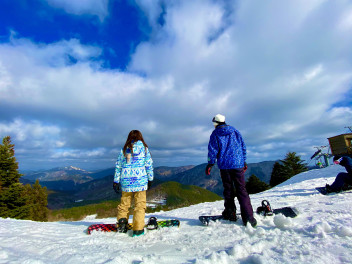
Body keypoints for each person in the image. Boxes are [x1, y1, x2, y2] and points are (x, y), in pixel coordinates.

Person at [206, 114, 257, 227]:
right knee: (241, 190)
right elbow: (242, 146)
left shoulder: (215, 134)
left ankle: (230, 214)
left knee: (228, 190)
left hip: (225, 166)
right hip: (238, 164)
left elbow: (212, 150)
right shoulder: (235, 131)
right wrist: (243, 161)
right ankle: (249, 218)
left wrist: (210, 163)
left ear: (216, 123)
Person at [113, 130, 154, 237]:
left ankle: (122, 225)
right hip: (140, 181)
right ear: (140, 137)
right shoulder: (144, 149)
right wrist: (150, 179)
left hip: (126, 181)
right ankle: (138, 229)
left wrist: (116, 181)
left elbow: (118, 166)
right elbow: (148, 165)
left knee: (124, 205)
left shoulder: (124, 149)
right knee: (139, 206)